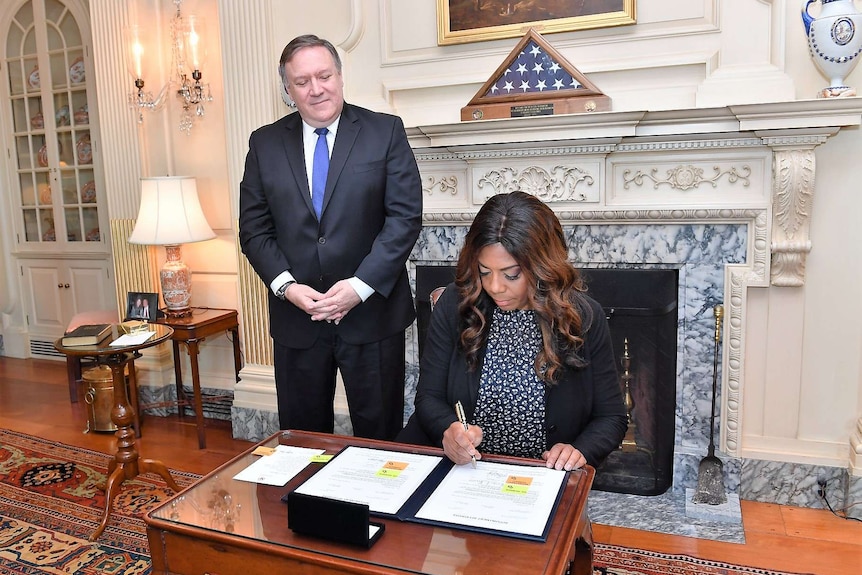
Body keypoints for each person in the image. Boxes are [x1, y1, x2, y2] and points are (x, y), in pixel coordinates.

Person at [238, 34, 422, 440]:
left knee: (381, 442)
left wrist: (359, 287)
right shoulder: (264, 144)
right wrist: (287, 287)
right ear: (287, 89)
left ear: (340, 76)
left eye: (324, 76)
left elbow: (404, 219)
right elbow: (254, 230)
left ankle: (378, 506)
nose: (315, 88)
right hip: (298, 319)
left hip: (371, 316)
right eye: (302, 81)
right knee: (303, 442)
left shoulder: (384, 132)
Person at [398, 192, 627, 471]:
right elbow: (428, 397)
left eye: (512, 274)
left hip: (538, 477)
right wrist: (449, 431)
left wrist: (578, 450)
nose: (495, 287)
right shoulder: (456, 302)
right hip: (465, 472)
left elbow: (612, 417)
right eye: (484, 271)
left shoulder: (582, 317)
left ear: (543, 266)